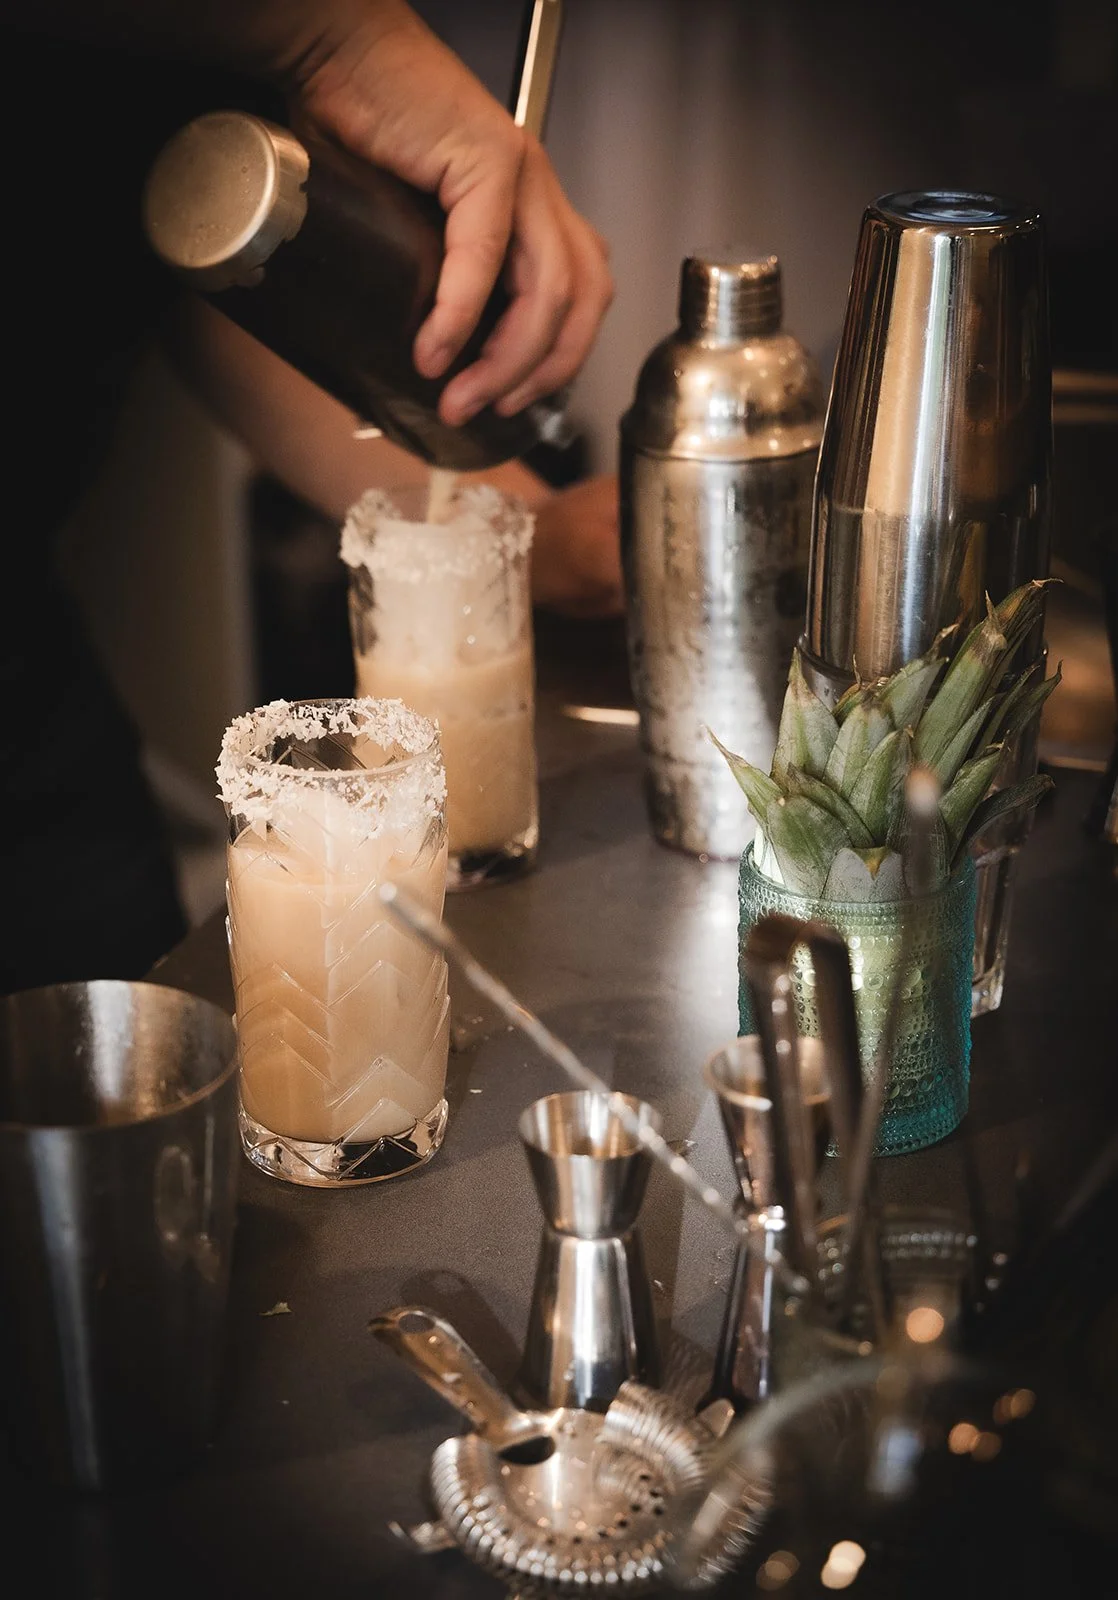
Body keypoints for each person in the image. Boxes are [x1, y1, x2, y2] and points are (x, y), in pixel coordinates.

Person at [0, 0, 618, 996]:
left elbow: (204, 277)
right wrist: (340, 35)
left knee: (141, 1070)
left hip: (30, 707)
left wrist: (525, 532)